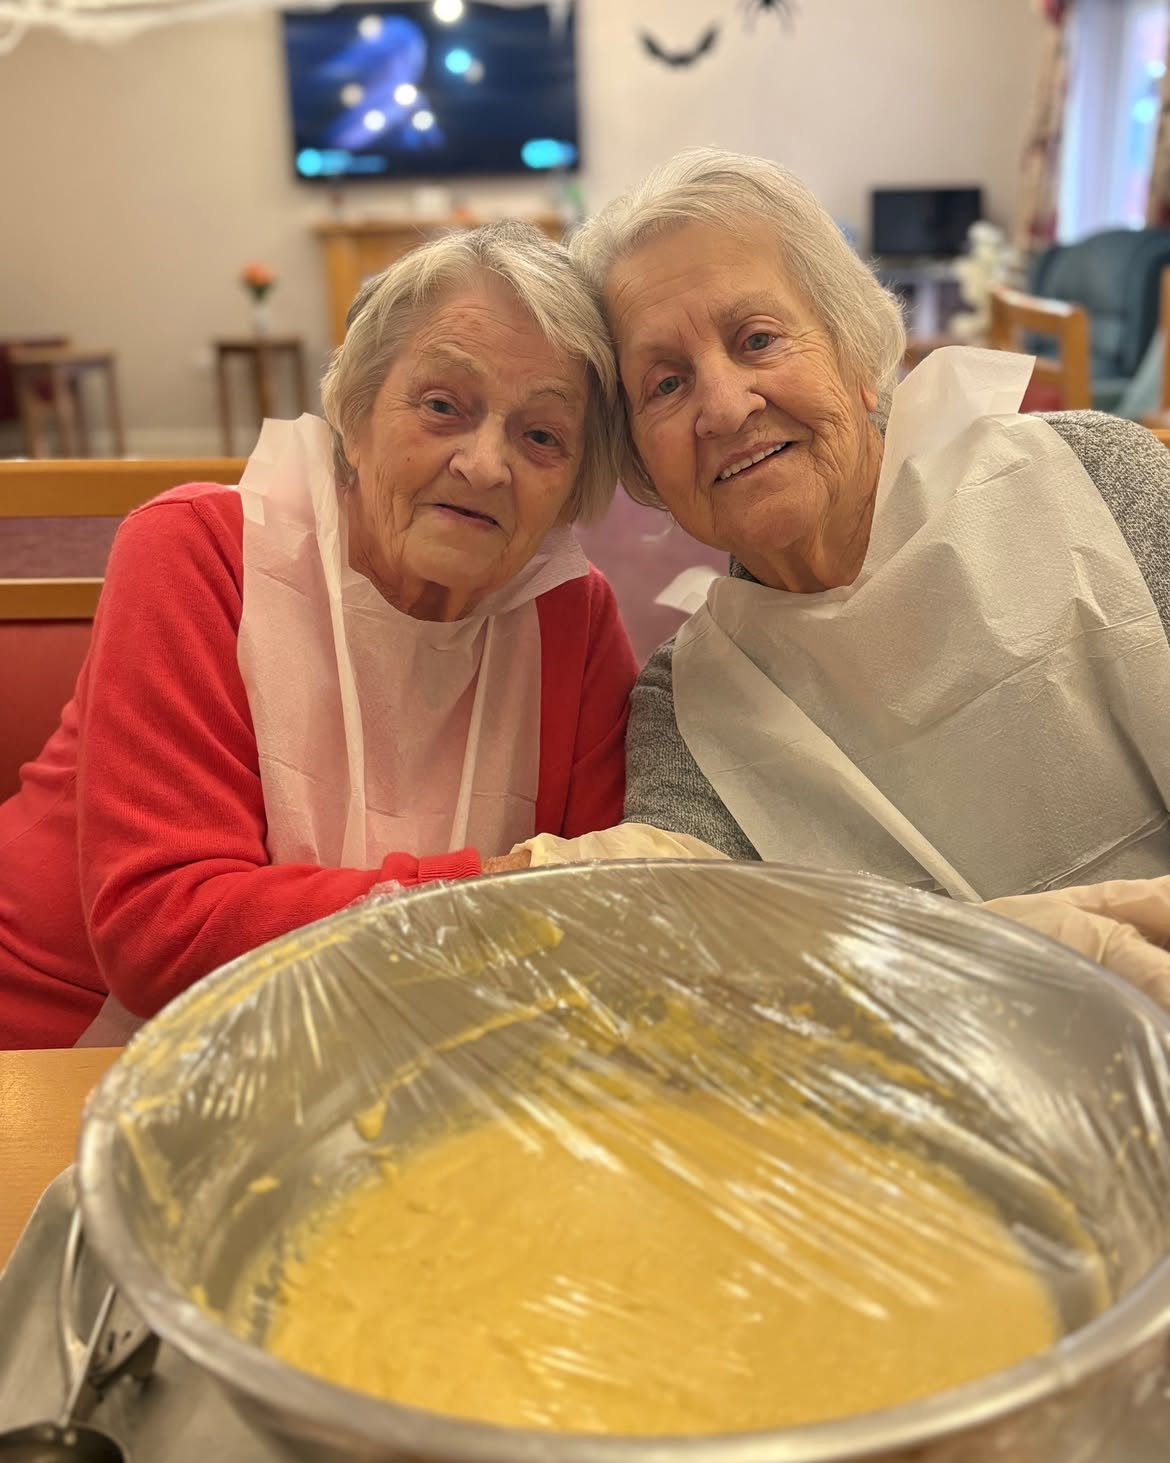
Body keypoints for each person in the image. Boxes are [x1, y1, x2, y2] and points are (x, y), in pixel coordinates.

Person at [0, 221, 637, 1049]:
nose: (485, 464)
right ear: (357, 411)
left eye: (542, 436)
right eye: (444, 405)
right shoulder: (199, 551)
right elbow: (166, 936)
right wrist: (513, 887)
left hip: (396, 1064)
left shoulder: (574, 620)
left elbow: (613, 918)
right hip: (75, 1057)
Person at [567, 149, 1170, 1000]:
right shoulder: (688, 708)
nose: (727, 406)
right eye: (666, 384)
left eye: (759, 340)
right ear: (641, 464)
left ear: (855, 351)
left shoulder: (1099, 479)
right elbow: (721, 975)